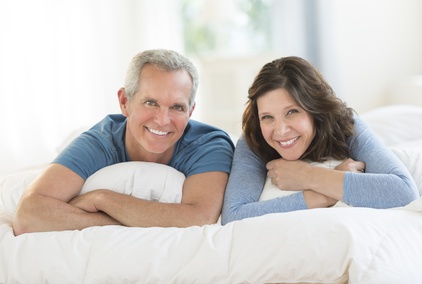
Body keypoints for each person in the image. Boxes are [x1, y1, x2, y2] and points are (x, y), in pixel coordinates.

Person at [13, 49, 234, 235]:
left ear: (191, 110)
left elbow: (200, 218)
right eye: (150, 102)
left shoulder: (209, 145)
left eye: (177, 107)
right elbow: (29, 215)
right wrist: (127, 221)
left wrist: (103, 199)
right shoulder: (99, 142)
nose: (163, 120)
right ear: (124, 102)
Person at [221, 56, 419, 224]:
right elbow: (234, 215)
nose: (280, 130)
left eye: (292, 112)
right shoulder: (254, 139)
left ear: (316, 110)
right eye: (267, 117)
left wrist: (308, 175)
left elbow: (403, 192)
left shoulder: (345, 125)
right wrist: (321, 195)